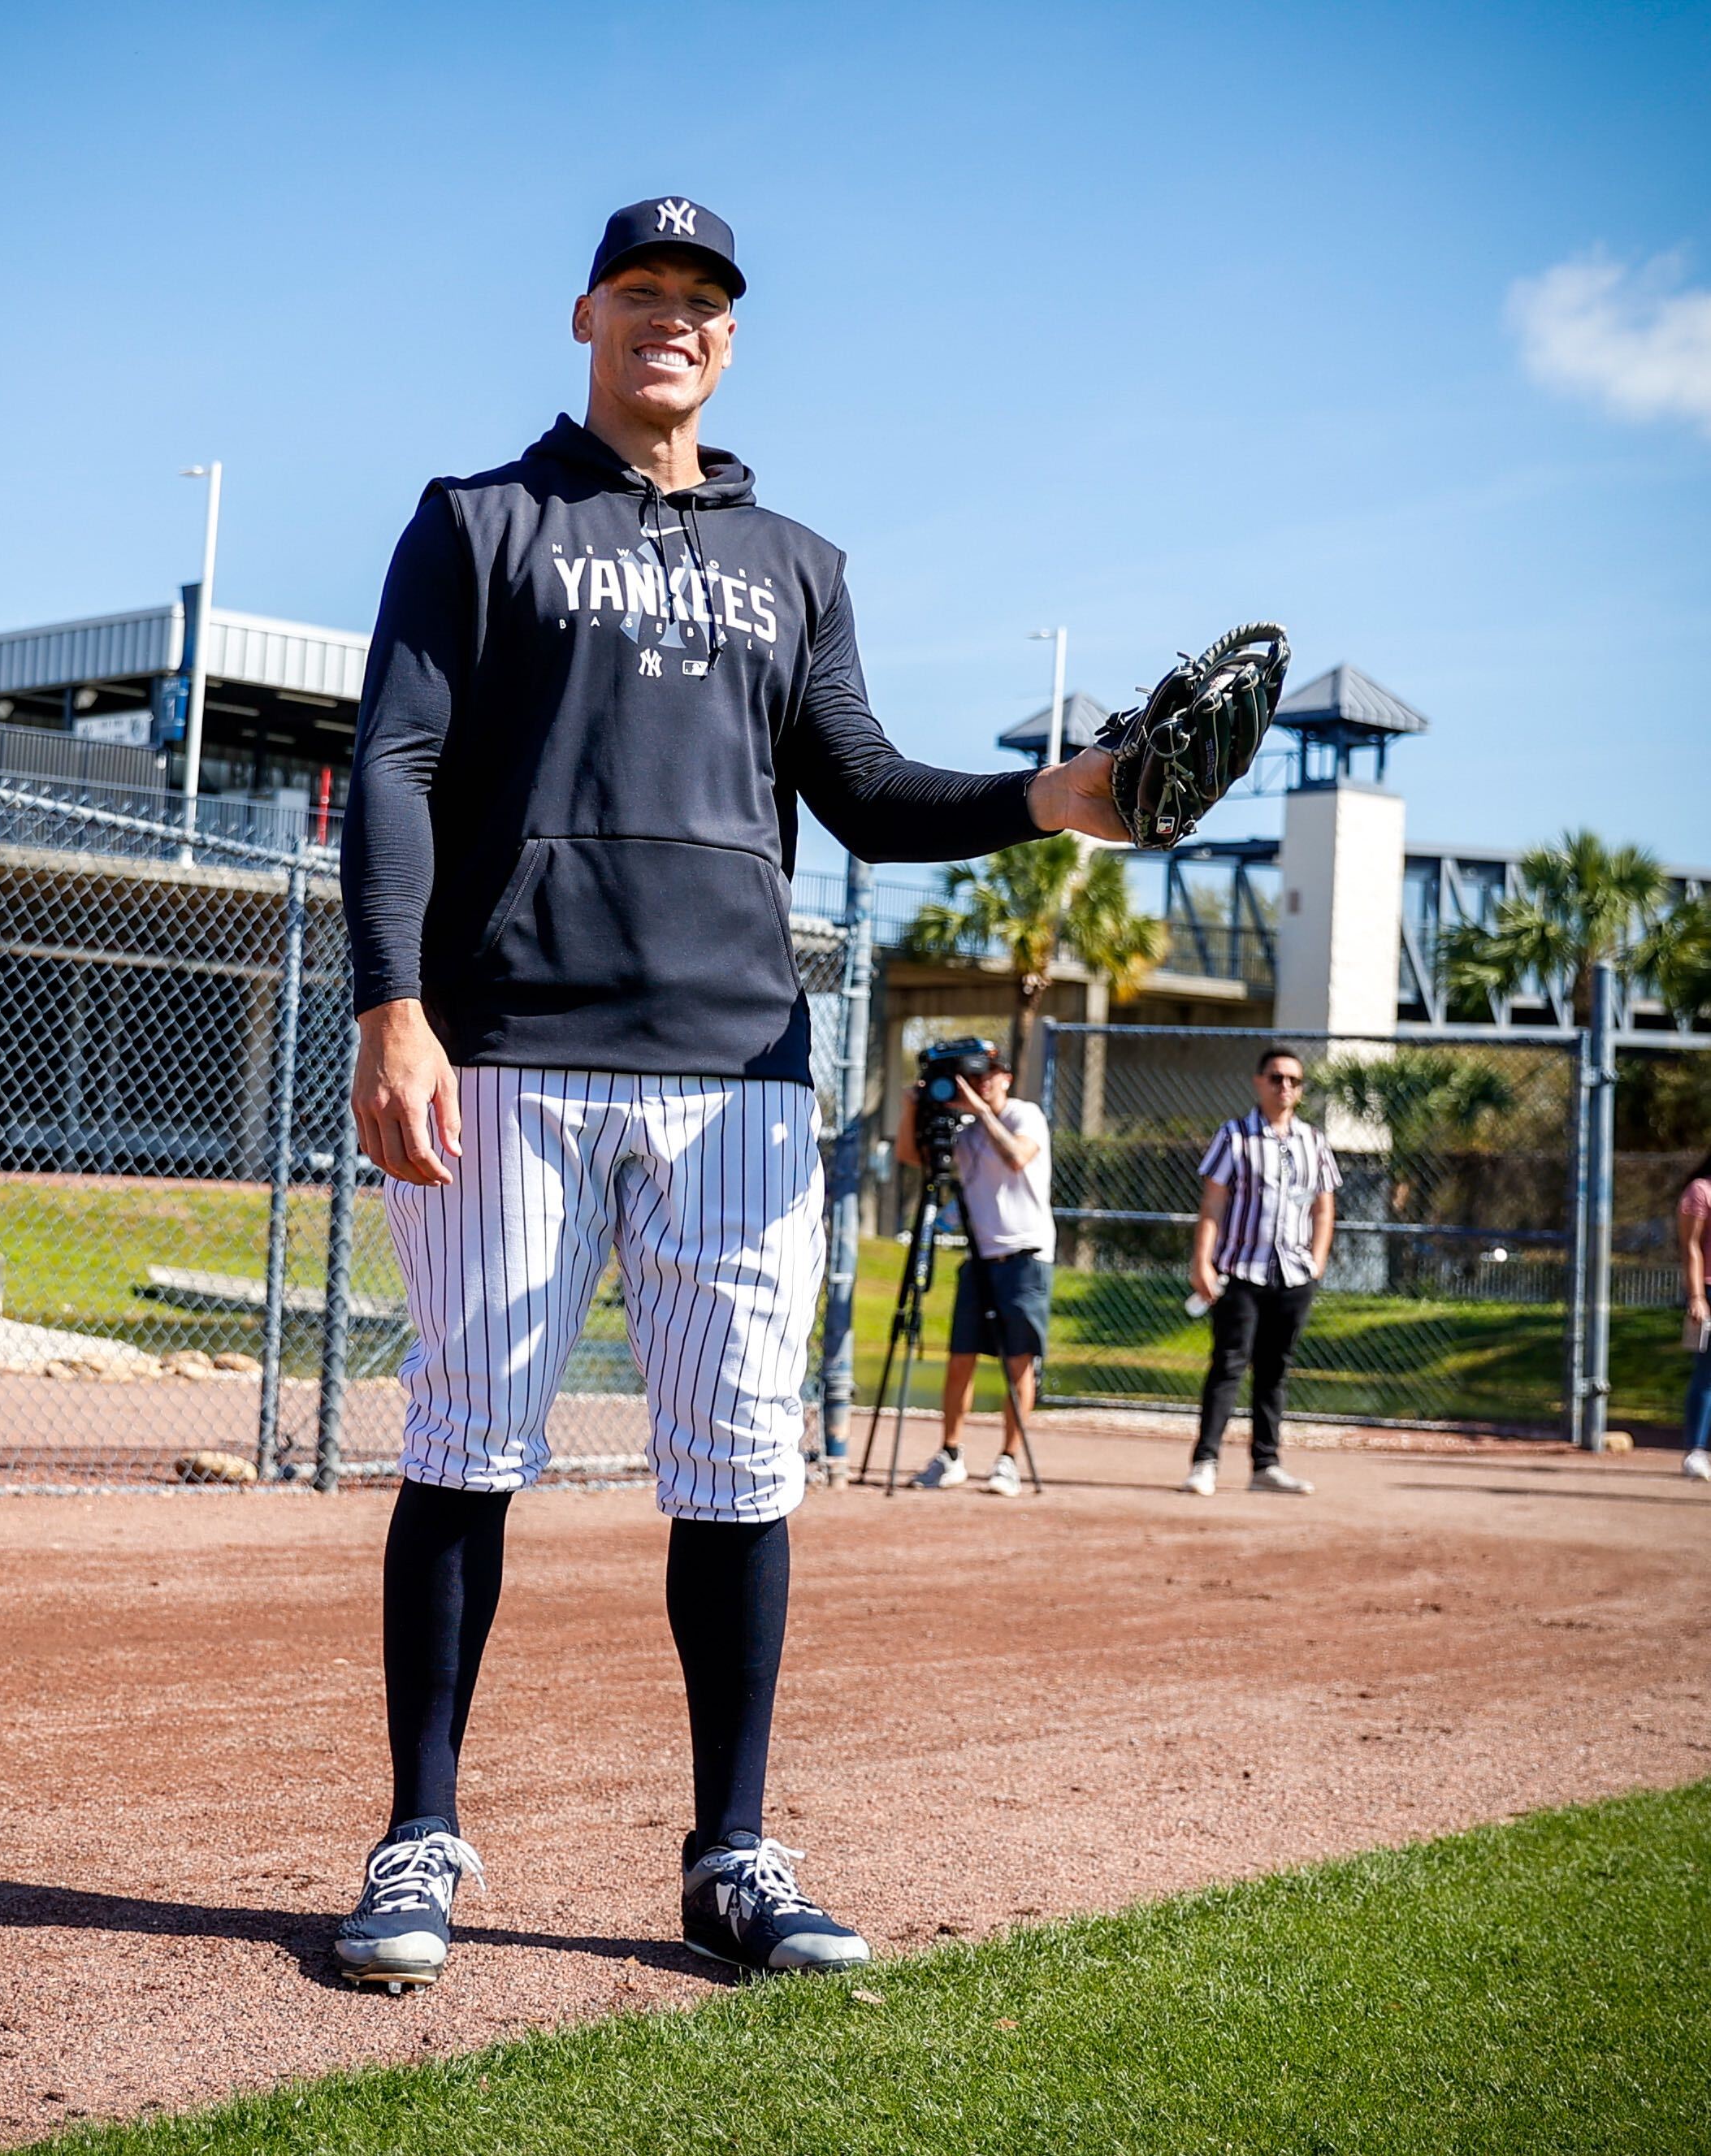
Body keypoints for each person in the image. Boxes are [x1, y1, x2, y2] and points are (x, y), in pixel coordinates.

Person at [336, 195, 1131, 1989]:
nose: (670, 319)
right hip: (509, 1043)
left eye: (701, 299)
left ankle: (733, 1853)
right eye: (642, 291)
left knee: (736, 1470)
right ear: (584, 315)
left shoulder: (797, 561)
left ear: (729, 336)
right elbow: (389, 764)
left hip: (743, 1075)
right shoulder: (480, 522)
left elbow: (861, 787)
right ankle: (418, 1839)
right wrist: (395, 1003)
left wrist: (1050, 796)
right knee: (466, 1445)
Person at [895, 1045, 1053, 1496]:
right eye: (973, 1075)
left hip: (1025, 1256)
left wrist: (981, 1110)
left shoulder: (1025, 1115)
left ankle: (1008, 1460)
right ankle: (950, 1454)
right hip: (979, 1258)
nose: (981, 1081)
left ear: (1007, 1078)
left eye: (989, 1074)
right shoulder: (965, 1135)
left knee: (1018, 1362)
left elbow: (1018, 1157)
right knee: (960, 1358)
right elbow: (913, 1157)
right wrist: (913, 1107)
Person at [1182, 1045, 1339, 1497]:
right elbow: (1212, 1204)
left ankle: (1265, 1466)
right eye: (1276, 1078)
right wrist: (1203, 1262)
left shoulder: (1314, 1142)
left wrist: (1317, 1261)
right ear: (1258, 1082)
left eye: (1293, 1080)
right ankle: (1205, 1461)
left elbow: (1324, 1208)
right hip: (1241, 1272)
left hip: (1293, 1276)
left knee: (1275, 1370)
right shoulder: (1235, 1137)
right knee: (1229, 1366)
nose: (1284, 1086)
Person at [1679, 1150, 1711, 1482]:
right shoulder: (1700, 1191)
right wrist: (1697, 1296)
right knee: (1708, 1372)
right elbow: (1692, 1246)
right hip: (1708, 1290)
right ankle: (1696, 1451)